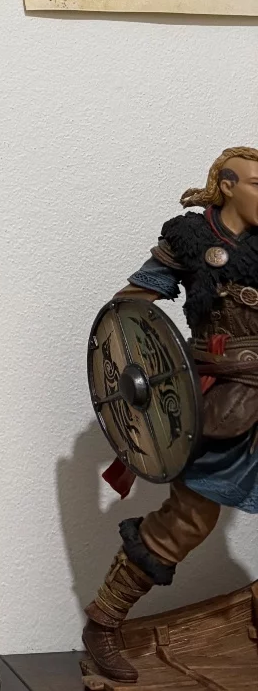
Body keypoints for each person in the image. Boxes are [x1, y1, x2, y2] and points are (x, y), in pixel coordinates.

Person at [83, 148, 258, 682]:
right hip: (225, 399)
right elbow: (129, 311)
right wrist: (146, 376)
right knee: (189, 520)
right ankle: (104, 622)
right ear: (227, 185)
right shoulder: (192, 238)